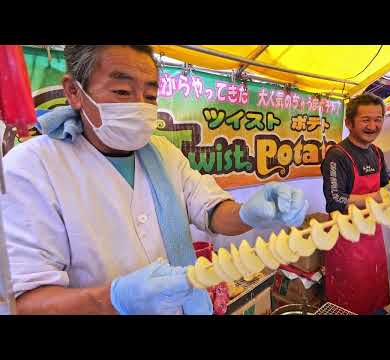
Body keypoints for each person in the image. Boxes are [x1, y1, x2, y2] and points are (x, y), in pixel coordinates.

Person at [2, 45, 308, 315]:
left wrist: (247, 213)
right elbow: (24, 302)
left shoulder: (163, 153)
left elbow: (211, 211)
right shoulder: (31, 168)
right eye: (122, 92)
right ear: (73, 92)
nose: (139, 105)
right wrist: (113, 298)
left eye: (149, 95)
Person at [320, 93, 390, 315]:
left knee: (374, 292)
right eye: (365, 120)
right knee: (348, 301)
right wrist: (377, 197)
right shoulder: (337, 156)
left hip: (373, 237)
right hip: (346, 241)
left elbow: (386, 186)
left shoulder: (377, 153)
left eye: (378, 119)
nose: (373, 126)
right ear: (349, 123)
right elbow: (336, 201)